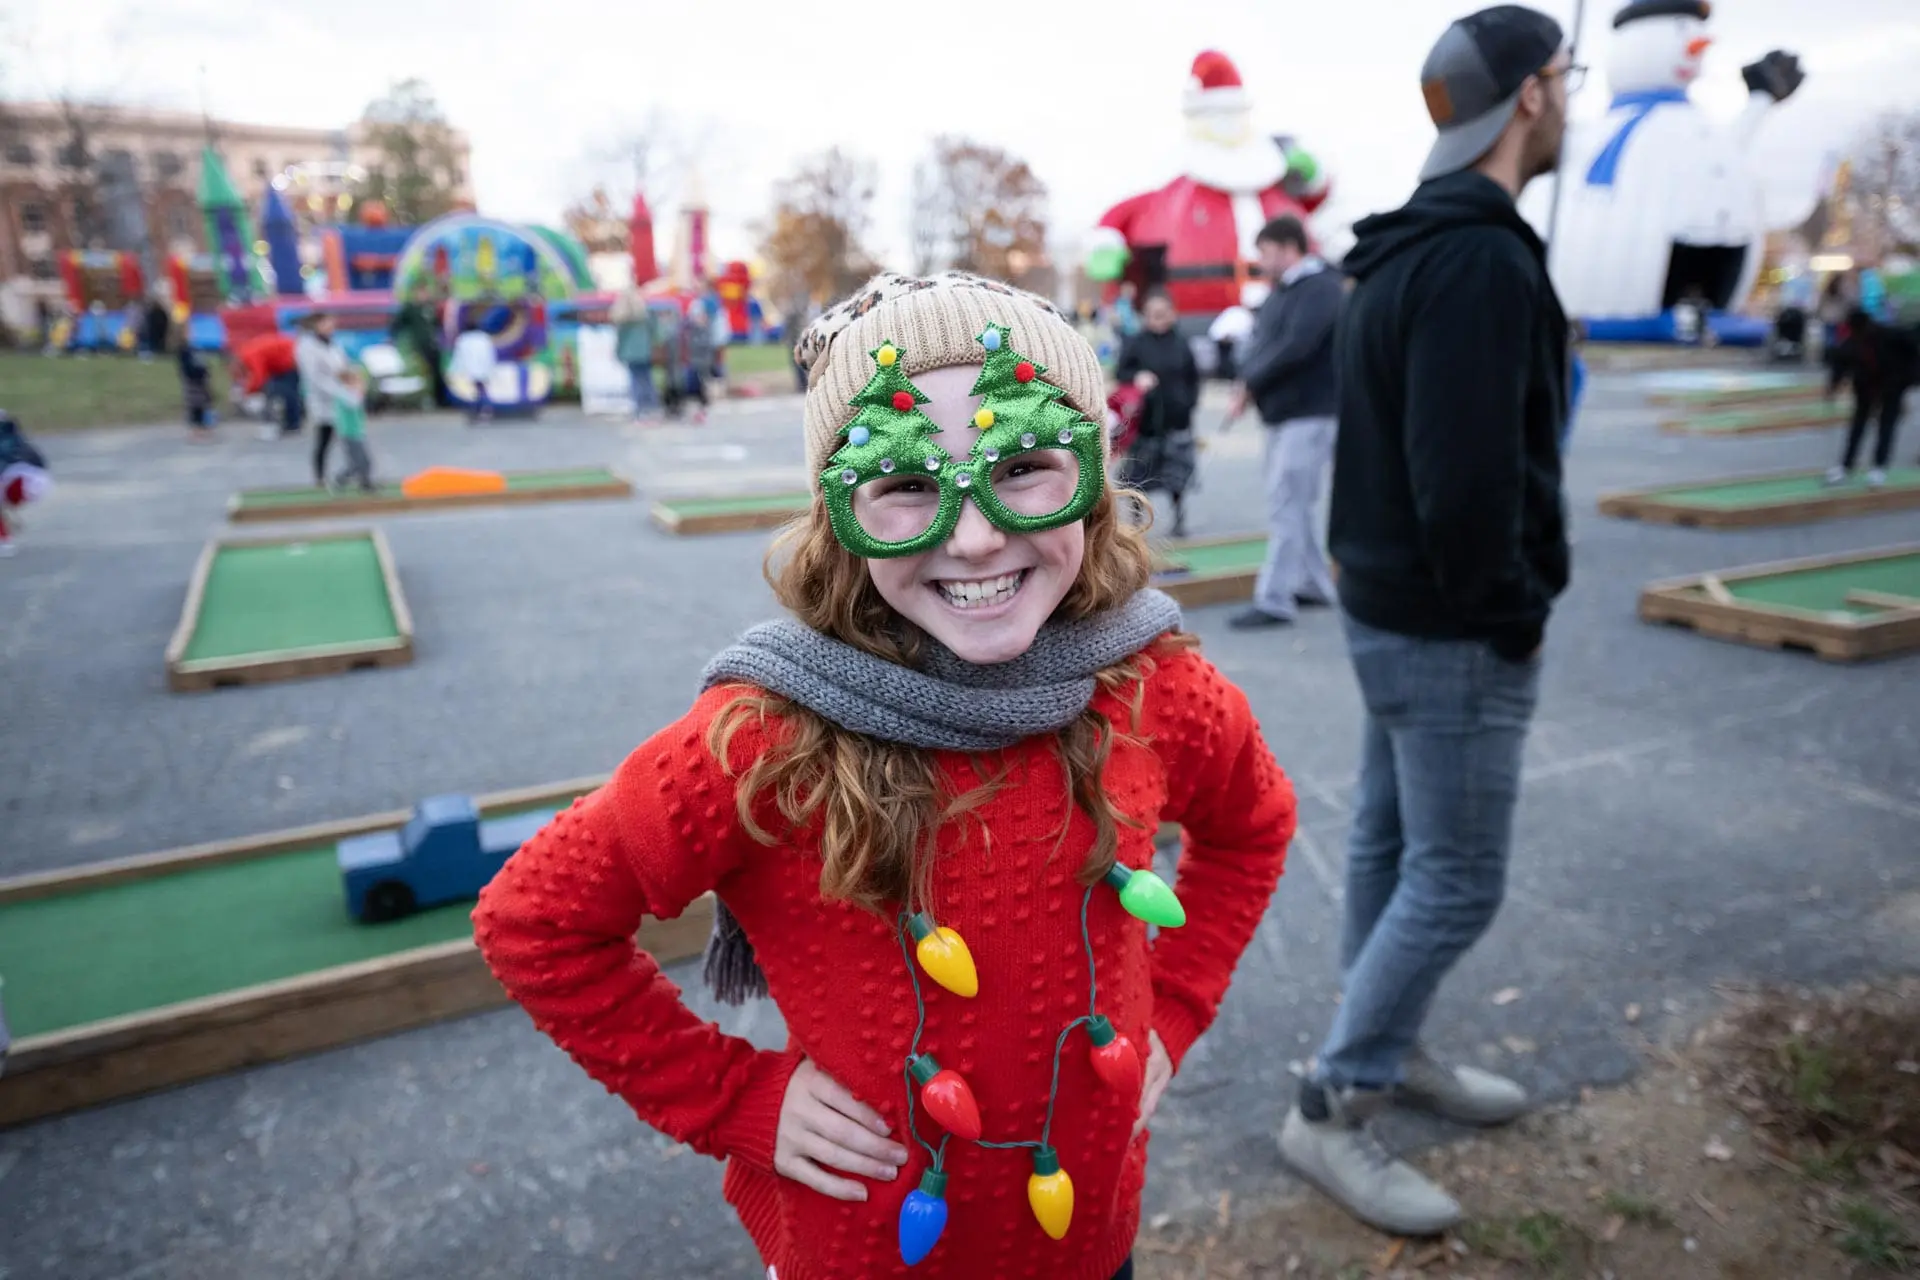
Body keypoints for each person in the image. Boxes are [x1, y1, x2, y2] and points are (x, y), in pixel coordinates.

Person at [472, 271, 1297, 1280]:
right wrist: (732, 1097)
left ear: (1093, 471)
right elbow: (534, 917)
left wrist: (1174, 1006)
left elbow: (1255, 822)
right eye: (906, 482)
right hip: (864, 1255)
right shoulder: (764, 736)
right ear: (836, 512)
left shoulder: (1151, 685)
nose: (977, 533)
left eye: (1027, 462)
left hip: (1090, 1238)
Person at [1278, 6, 1575, 1238]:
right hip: (1448, 626)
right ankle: (1333, 1098)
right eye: (1565, 78)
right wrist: (1511, 613)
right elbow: (1466, 481)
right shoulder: (1477, 258)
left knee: (1391, 848)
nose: (1570, 98)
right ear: (1529, 100)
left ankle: (1382, 1045)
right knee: (1454, 878)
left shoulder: (1400, 248)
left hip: (1389, 609)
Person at [1224, 216, 1344, 630]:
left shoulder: (1321, 287)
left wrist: (1250, 383)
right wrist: (1245, 381)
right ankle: (1314, 585)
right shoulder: (1282, 292)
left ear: (1289, 247)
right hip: (1284, 413)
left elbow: (1297, 346)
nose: (1261, 260)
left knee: (1286, 504)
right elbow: (1262, 343)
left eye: (1266, 250)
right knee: (1295, 504)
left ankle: (1274, 599)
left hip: (1310, 412)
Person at [1114, 289, 1201, 537]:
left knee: (1177, 475)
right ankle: (1137, 518)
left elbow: (1193, 377)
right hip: (1145, 423)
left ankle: (1179, 516)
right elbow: (1122, 374)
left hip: (1177, 420)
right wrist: (1137, 378)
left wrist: (1189, 403)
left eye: (1164, 314)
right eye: (1154, 314)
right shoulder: (1136, 342)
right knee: (1137, 474)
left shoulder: (1181, 341)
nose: (1160, 319)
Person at [1825, 306, 1918, 489]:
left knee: (1886, 425)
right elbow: (1840, 367)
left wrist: (1909, 379)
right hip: (1866, 388)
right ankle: (1846, 467)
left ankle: (1878, 469)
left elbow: (1912, 347)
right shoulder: (1850, 343)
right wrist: (1833, 389)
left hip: (1893, 385)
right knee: (1858, 426)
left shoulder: (1890, 335)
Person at [296, 314, 353, 486]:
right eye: (325, 323)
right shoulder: (307, 347)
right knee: (324, 438)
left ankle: (351, 471)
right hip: (322, 398)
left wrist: (348, 386)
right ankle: (320, 476)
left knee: (350, 437)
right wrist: (336, 391)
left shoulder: (334, 345)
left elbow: (343, 366)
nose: (330, 326)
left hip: (341, 396)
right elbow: (313, 376)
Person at [230, 331, 302, 439]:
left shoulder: (249, 355)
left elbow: (259, 375)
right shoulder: (247, 351)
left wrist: (248, 391)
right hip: (282, 361)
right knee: (286, 391)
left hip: (289, 360)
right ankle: (291, 422)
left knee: (288, 392)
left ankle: (292, 424)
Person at [0, 410, 51, 557]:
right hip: (37, 479)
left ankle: (4, 540)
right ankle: (4, 537)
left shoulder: (6, 440)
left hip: (22, 480)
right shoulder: (13, 435)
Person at [611, 290, 661, 422]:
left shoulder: (623, 319)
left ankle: (639, 410)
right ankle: (652, 407)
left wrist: (617, 353)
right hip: (645, 351)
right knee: (647, 380)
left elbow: (620, 339)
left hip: (630, 354)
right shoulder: (646, 315)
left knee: (635, 381)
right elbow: (655, 332)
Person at [330, 369, 375, 492]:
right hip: (349, 433)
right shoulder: (344, 393)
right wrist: (360, 391)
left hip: (356, 432)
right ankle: (339, 480)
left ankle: (365, 483)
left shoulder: (349, 393)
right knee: (357, 462)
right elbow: (353, 404)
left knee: (364, 461)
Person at [450, 316, 499, 422]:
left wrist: (455, 369)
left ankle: (483, 410)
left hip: (472, 368)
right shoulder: (484, 338)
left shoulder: (463, 339)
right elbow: (491, 354)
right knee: (480, 389)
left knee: (479, 389)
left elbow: (459, 356)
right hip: (483, 367)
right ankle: (483, 410)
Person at [176, 334, 215, 440]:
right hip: (193, 379)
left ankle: (202, 426)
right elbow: (188, 368)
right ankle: (197, 428)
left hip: (198, 379)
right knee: (195, 404)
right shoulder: (185, 352)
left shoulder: (195, 350)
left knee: (202, 402)